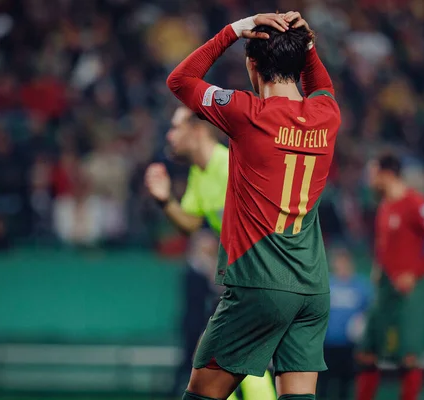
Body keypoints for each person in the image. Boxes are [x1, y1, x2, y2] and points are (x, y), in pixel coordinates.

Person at [166, 10, 340, 400]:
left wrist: (231, 30)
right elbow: (321, 84)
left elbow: (180, 81)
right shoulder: (327, 114)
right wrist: (306, 44)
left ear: (252, 64)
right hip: (312, 287)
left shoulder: (246, 113)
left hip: (259, 283)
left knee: (201, 394)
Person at [145, 106, 276, 400]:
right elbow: (191, 222)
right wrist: (166, 201)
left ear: (199, 130)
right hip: (243, 277)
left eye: (176, 127)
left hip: (262, 274)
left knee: (218, 358)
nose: (170, 134)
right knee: (222, 359)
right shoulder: (199, 172)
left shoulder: (231, 164)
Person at [356, 153, 424, 400]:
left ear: (387, 174)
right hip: (384, 288)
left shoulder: (416, 203)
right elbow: (384, 245)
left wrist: (416, 273)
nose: (369, 178)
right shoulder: (385, 205)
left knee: (409, 357)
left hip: (409, 292)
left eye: (373, 172)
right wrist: (379, 267)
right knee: (367, 352)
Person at [317, 248, 372, 400]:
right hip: (326, 346)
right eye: (339, 262)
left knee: (345, 387)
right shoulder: (326, 284)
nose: (342, 266)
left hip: (349, 347)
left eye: (345, 262)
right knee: (323, 386)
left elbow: (369, 312)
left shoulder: (361, 286)